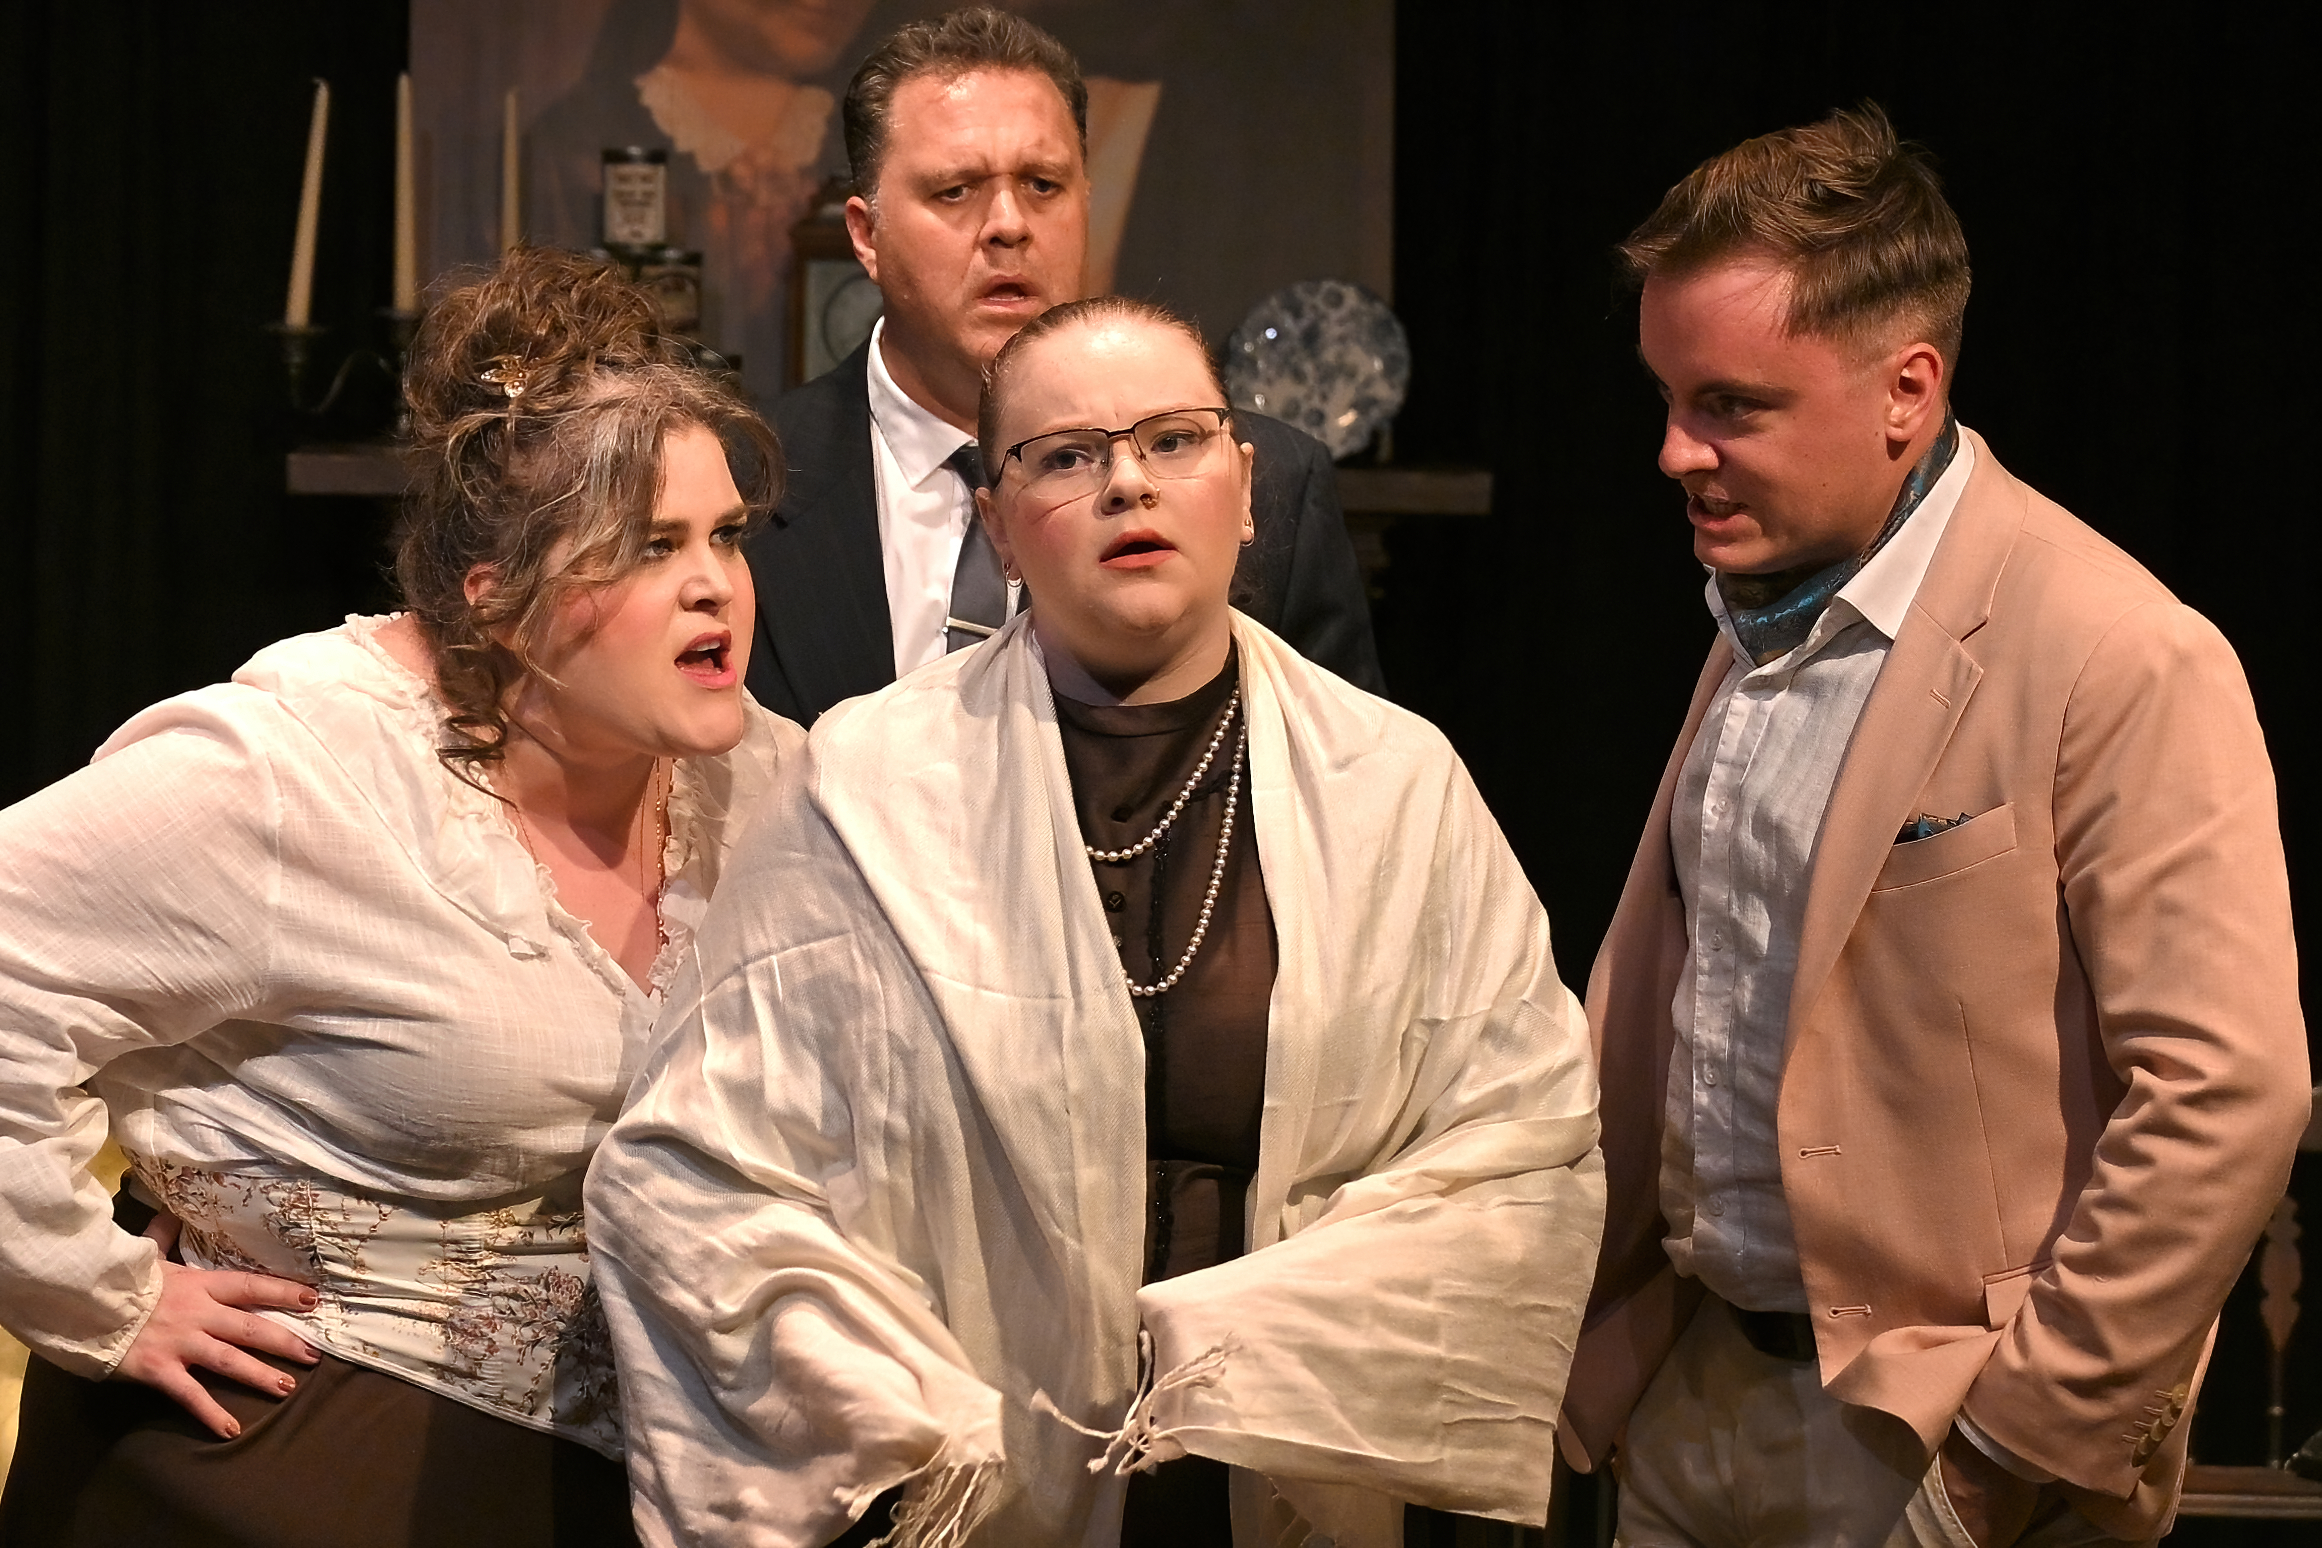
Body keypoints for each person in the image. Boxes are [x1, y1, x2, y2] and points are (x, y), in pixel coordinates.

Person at [587, 296, 1601, 1547]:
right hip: (975, 1487)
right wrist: (895, 1417)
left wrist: (1255, 1343)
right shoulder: (867, 785)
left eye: (1173, 439)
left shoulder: (1396, 784)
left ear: (1246, 489)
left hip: (1285, 1480)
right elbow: (697, 1166)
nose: (1129, 483)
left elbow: (1524, 1139)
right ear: (997, 528)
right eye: (1065, 456)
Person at [1557, 105, 2308, 1547]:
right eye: (1666, 397)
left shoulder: (2117, 650)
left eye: (1731, 406)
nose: (1673, 452)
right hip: (1694, 1394)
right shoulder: (1762, 617)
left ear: (1907, 391)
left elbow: (2227, 1091)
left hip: (1930, 1440)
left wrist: (2007, 1449)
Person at [0, 248, 799, 1546]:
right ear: (498, 603)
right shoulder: (292, 775)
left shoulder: (765, 784)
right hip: (264, 1467)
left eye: (724, 535)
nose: (714, 583)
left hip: (643, 1481)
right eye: (648, 547)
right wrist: (98, 1296)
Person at [744, 6, 1383, 727]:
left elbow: (1345, 773)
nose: (1009, 225)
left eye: (1043, 185)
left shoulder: (1268, 482)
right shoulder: (744, 483)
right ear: (867, 235)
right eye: (955, 190)